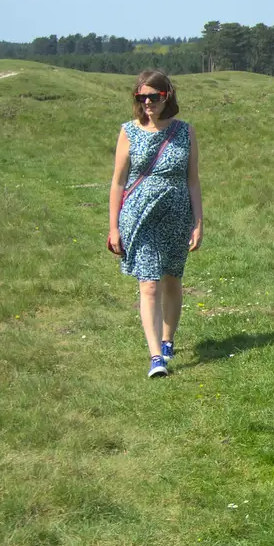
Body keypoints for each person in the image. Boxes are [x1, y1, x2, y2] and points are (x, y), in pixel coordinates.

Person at [107, 70, 203, 378]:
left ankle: (167, 339)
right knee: (148, 284)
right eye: (142, 97)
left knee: (171, 279)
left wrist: (198, 222)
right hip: (138, 216)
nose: (148, 102)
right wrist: (113, 227)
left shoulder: (185, 132)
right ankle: (155, 357)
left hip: (176, 216)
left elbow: (193, 180)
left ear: (167, 97)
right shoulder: (128, 131)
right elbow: (118, 181)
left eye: (154, 97)